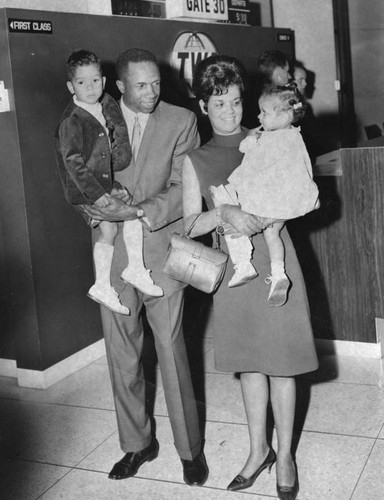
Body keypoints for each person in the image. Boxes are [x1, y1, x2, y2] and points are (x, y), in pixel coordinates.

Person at [182, 55, 318, 499]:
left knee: (282, 362)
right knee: (250, 364)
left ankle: (286, 454)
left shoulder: (269, 136)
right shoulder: (195, 159)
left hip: (276, 262)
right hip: (234, 269)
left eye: (237, 103)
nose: (230, 112)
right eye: (219, 104)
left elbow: (302, 193)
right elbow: (189, 225)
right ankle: (257, 449)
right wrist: (224, 212)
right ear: (203, 106)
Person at [82, 48, 208, 487]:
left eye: (156, 83)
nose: (152, 92)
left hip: (159, 252)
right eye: (141, 85)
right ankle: (137, 446)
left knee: (172, 352)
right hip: (113, 258)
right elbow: (75, 176)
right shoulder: (93, 118)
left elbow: (184, 186)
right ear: (120, 86)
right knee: (123, 356)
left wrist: (139, 212)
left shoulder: (181, 120)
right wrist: (96, 211)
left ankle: (190, 451)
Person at [54, 49, 163, 318]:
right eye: (81, 83)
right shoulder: (72, 119)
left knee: (130, 215)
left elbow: (113, 133)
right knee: (111, 228)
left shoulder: (105, 103)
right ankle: (104, 283)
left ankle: (132, 269)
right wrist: (97, 194)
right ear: (71, 86)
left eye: (94, 81)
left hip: (104, 180)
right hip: (85, 188)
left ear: (103, 82)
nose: (89, 88)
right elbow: (73, 163)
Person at [210, 84, 319, 306]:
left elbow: (250, 157)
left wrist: (251, 140)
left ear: (285, 115)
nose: (259, 116)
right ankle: (278, 273)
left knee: (227, 203)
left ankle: (243, 263)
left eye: (264, 113)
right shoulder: (294, 136)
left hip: (268, 200)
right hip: (287, 204)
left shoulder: (273, 139)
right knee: (272, 235)